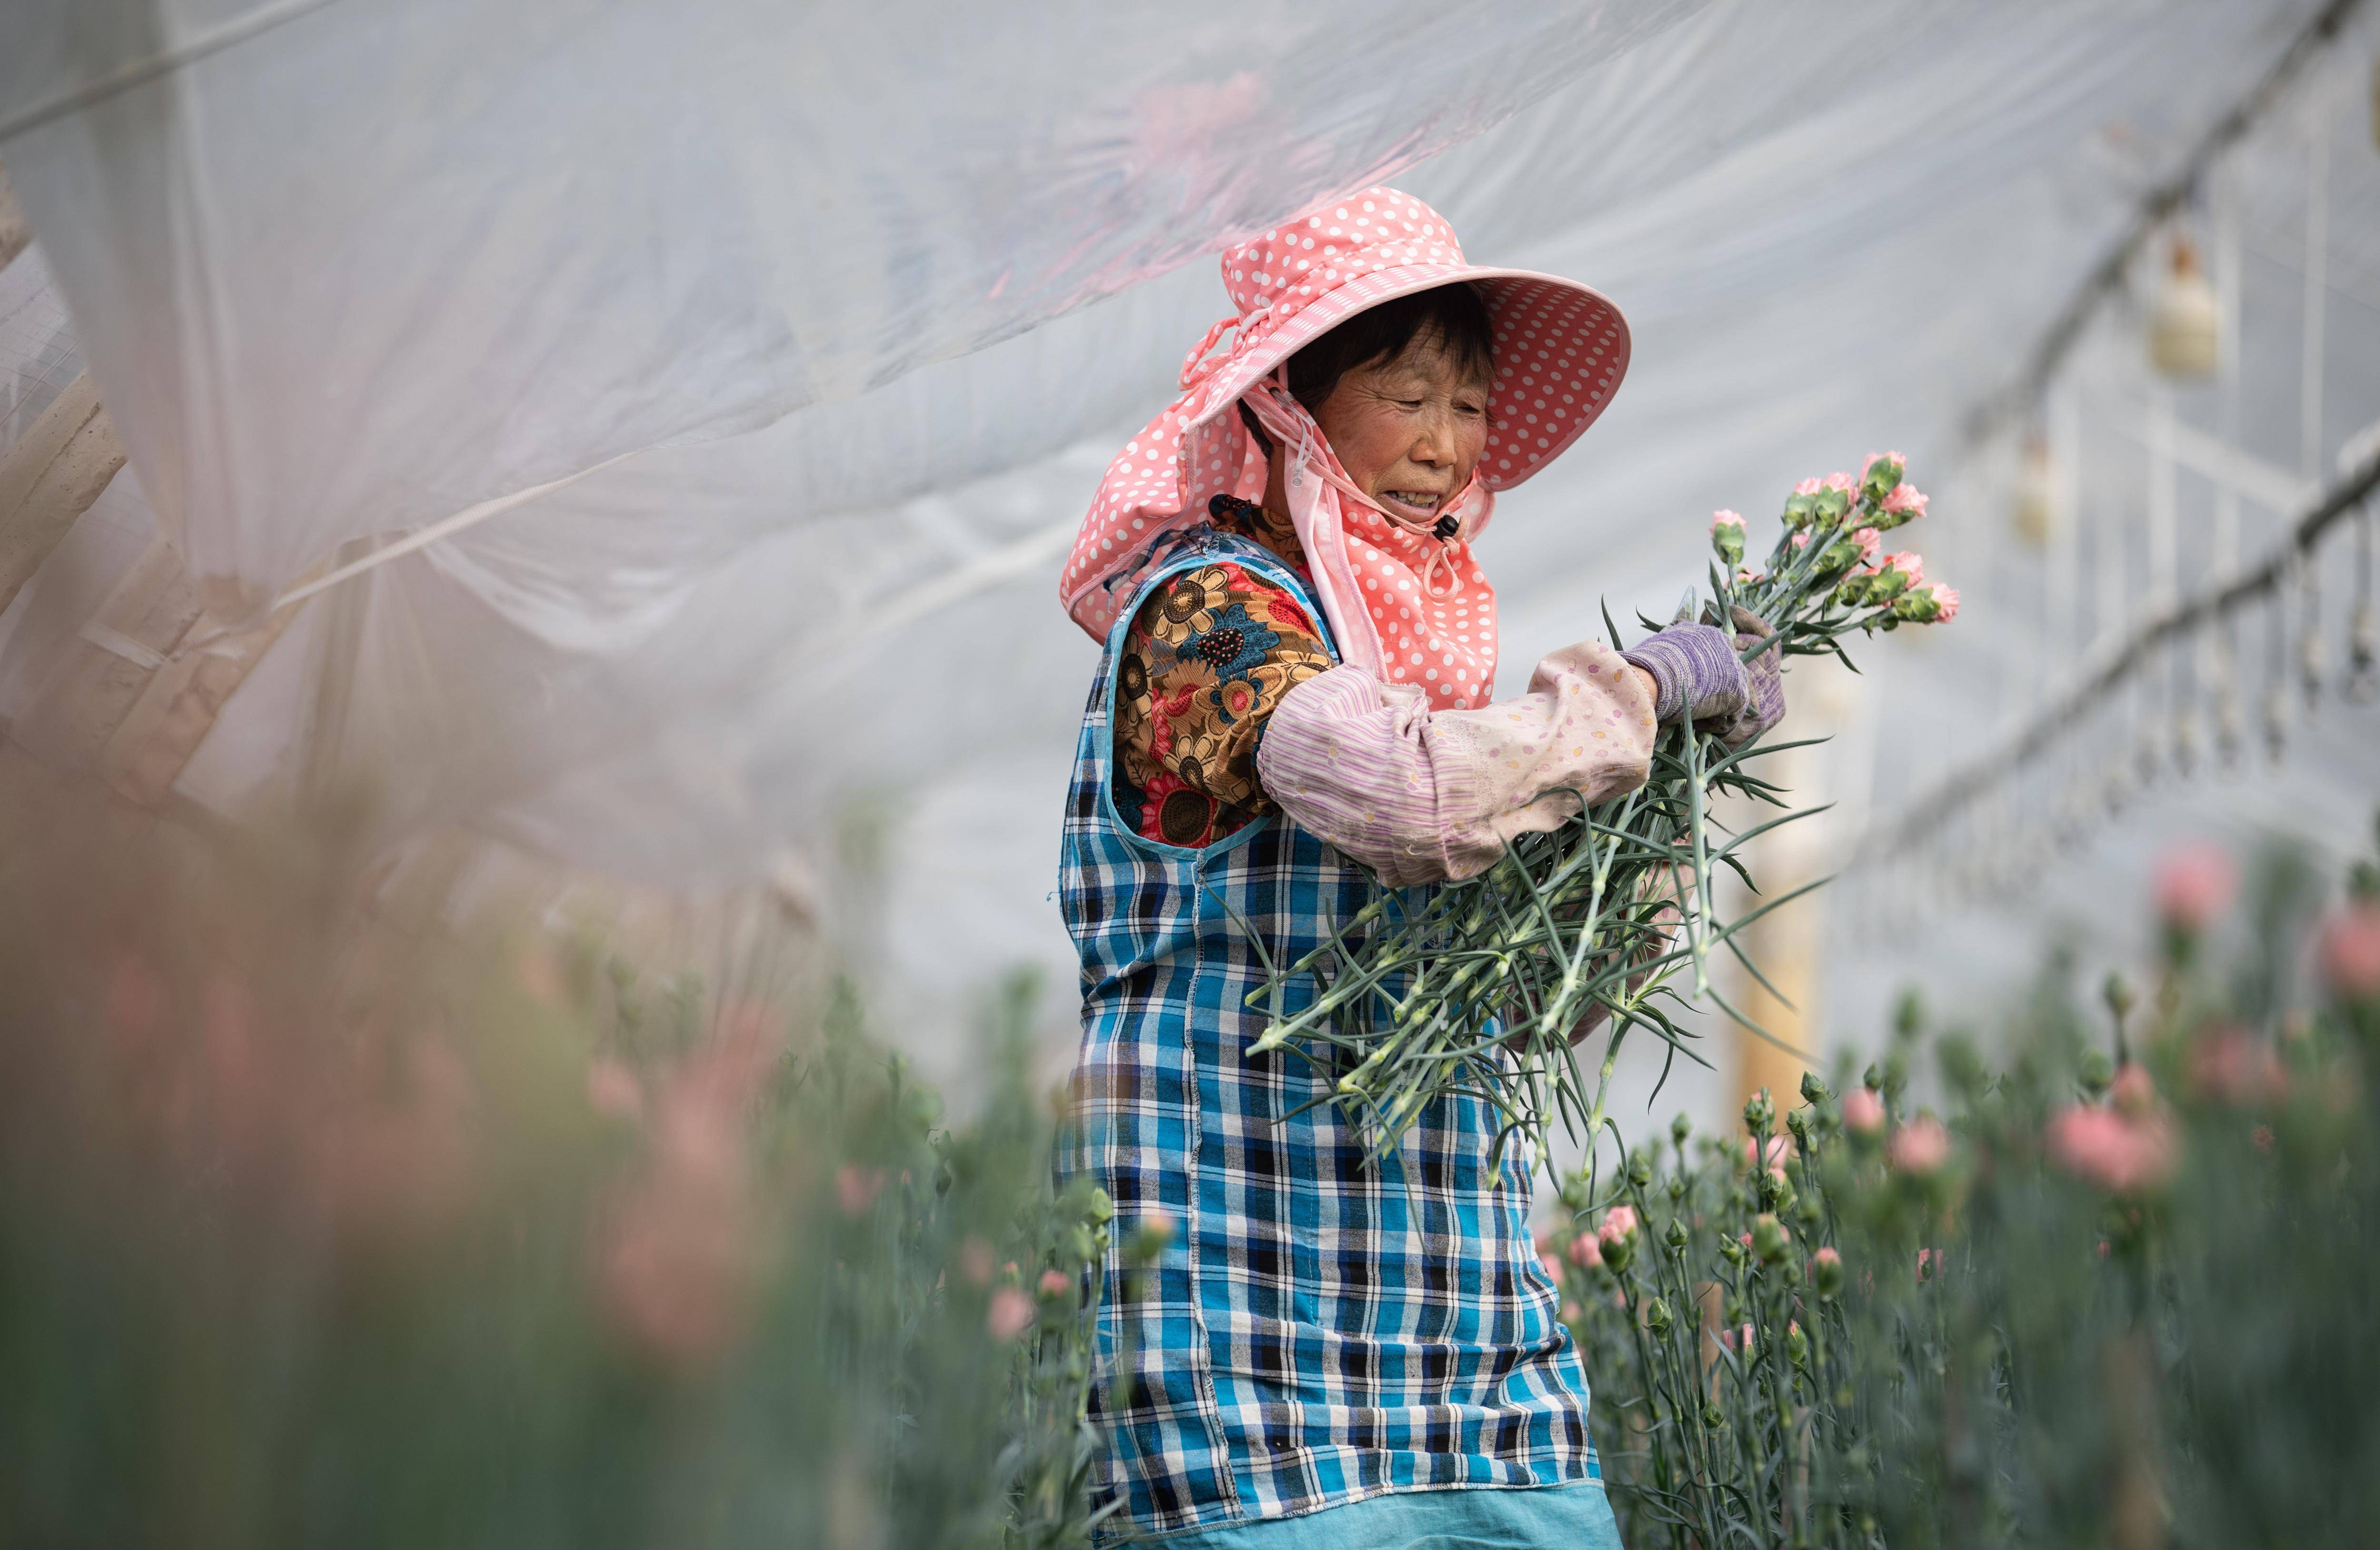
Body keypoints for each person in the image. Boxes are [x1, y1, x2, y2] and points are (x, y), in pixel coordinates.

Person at [1052, 188, 1781, 1548]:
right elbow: (1394, 798)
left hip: (1443, 1289)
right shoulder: (1208, 612)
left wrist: (1660, 809)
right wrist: (1626, 697)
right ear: (1290, 408)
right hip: (1234, 1271)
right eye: (1407, 396)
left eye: (1469, 406)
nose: (1448, 449)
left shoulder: (1424, 685)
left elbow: (1550, 1003)